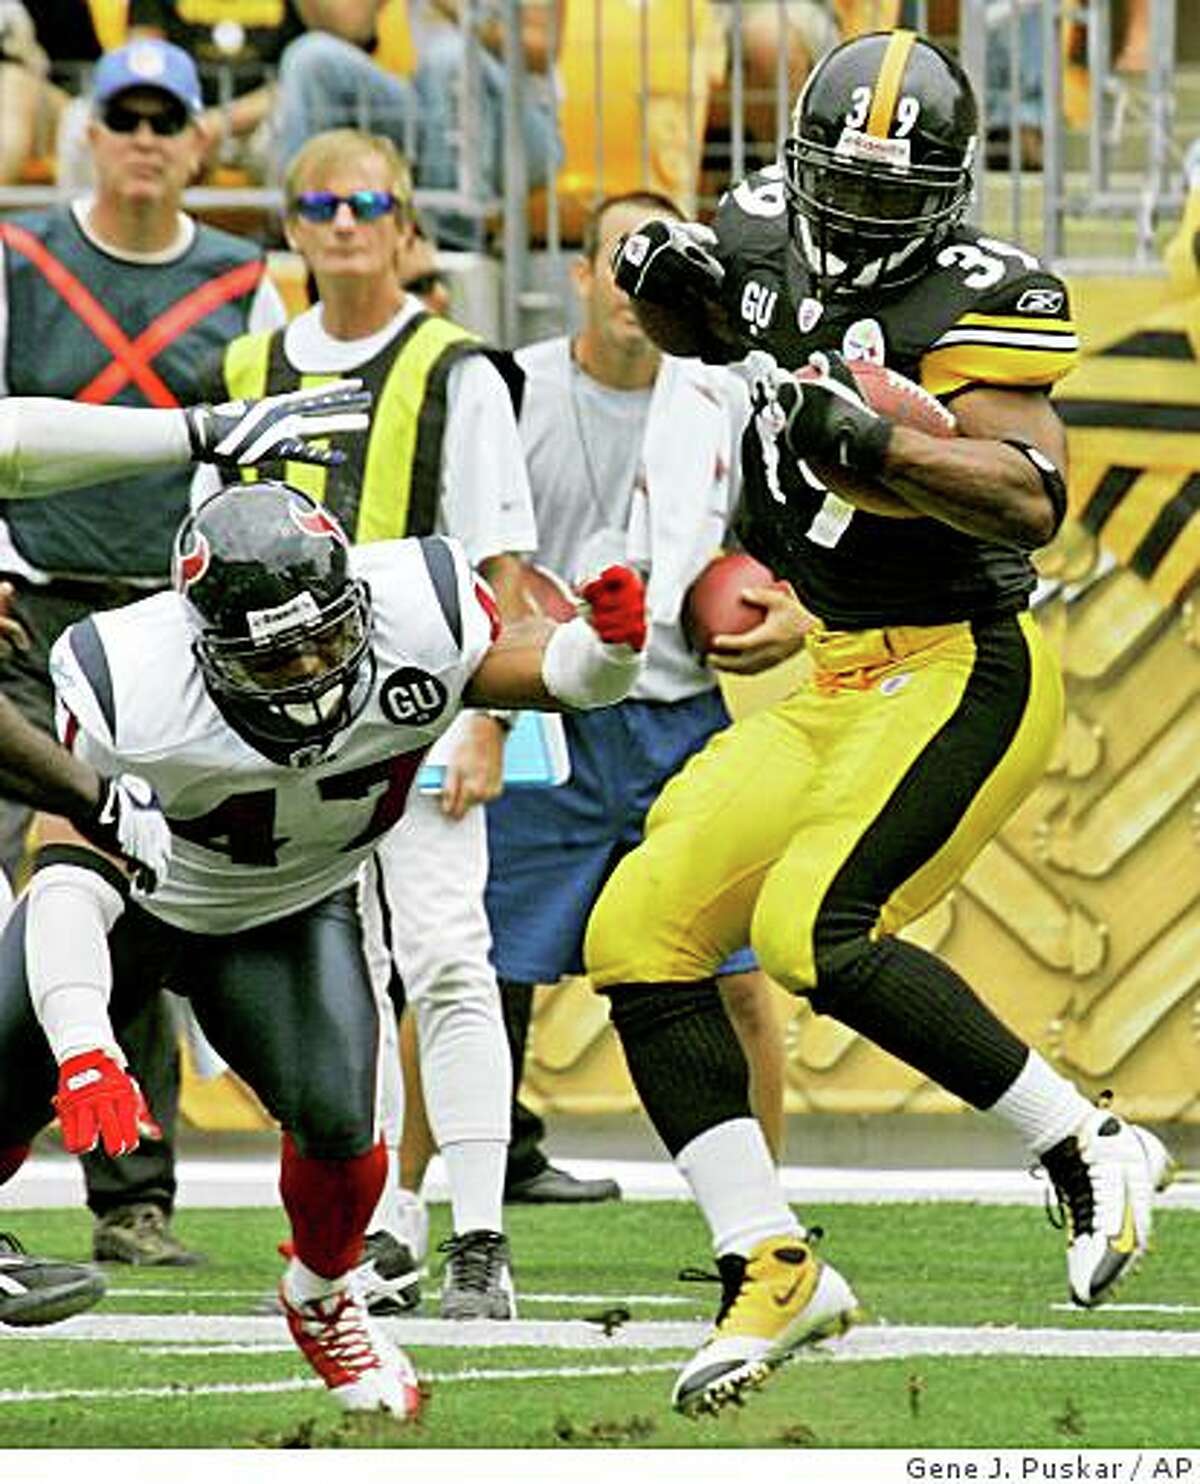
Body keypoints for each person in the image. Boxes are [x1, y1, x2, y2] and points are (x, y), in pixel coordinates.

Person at [601, 27, 1173, 1418]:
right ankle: (772, 1262)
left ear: (949, 196)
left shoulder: (981, 298)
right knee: (639, 933)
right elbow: (716, 330)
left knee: (812, 931)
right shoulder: (758, 227)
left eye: (885, 201)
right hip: (836, 666)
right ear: (794, 171)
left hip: (959, 659)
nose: (854, 223)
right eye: (836, 193)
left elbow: (1034, 495)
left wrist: (893, 449)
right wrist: (664, 288)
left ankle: (1086, 1141)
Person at [0, 478, 647, 1414]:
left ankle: (324, 1298)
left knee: (347, 1139)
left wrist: (607, 648)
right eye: (272, 659)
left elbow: (550, 676)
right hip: (139, 898)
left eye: (325, 639)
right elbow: (64, 866)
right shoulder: (131, 685)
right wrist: (86, 1047)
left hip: (290, 907)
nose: (308, 672)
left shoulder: (418, 617)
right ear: (205, 653)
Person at [194, 127, 536, 1320]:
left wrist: (487, 718)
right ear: (292, 226)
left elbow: (500, 559)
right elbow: (203, 566)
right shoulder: (246, 368)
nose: (345, 223)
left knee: (448, 958)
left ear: (403, 226)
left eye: (369, 202)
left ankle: (481, 1233)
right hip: (290, 736)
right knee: (354, 972)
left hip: (422, 706)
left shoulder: (456, 367)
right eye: (322, 202)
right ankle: (387, 1225)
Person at [0, 35, 290, 1269]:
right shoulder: (18, 261)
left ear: (197, 140)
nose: (146, 139)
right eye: (125, 115)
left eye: (168, 119)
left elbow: (268, 455)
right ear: (90, 130)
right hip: (27, 609)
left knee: (138, 892)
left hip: (162, 635)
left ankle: (133, 1193)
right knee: (22, 898)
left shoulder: (243, 282)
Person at [485, 189, 789, 1205]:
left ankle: (767, 1206)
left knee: (739, 973)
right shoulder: (512, 387)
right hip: (549, 709)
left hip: (680, 711)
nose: (635, 282)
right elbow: (476, 546)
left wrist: (774, 606)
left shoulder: (728, 397)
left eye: (663, 260)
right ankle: (421, 1205)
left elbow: (774, 544)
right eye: (621, 257)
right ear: (580, 273)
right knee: (475, 966)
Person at [273, 0, 564, 248]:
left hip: (522, 129)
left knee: (449, 57)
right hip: (432, 114)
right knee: (310, 56)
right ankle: (305, 221)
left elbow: (541, 48)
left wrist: (458, 9)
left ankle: (449, 241)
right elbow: (350, 25)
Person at [125, 0, 307, 185]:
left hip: (264, 123)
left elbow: (300, 83)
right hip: (180, 118)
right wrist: (185, 125)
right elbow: (144, 69)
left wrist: (219, 122)